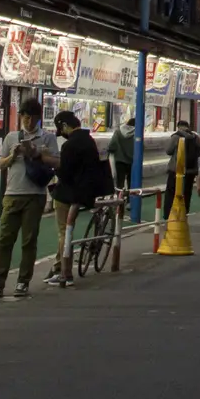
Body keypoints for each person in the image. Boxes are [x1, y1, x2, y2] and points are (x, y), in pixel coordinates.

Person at [0, 94, 57, 298]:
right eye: (25, 117)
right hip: (12, 193)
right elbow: (1, 164)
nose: (28, 121)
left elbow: (56, 162)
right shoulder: (11, 138)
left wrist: (37, 153)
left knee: (29, 240)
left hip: (35, 194)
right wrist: (13, 155)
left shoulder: (47, 138)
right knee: (4, 240)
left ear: (38, 118)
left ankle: (23, 281)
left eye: (32, 117)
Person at [47, 111, 114, 285]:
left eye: (60, 129)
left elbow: (65, 172)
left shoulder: (70, 145)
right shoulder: (90, 141)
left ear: (64, 126)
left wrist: (54, 168)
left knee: (64, 232)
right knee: (66, 231)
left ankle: (65, 272)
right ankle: (58, 266)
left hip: (68, 194)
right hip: (87, 193)